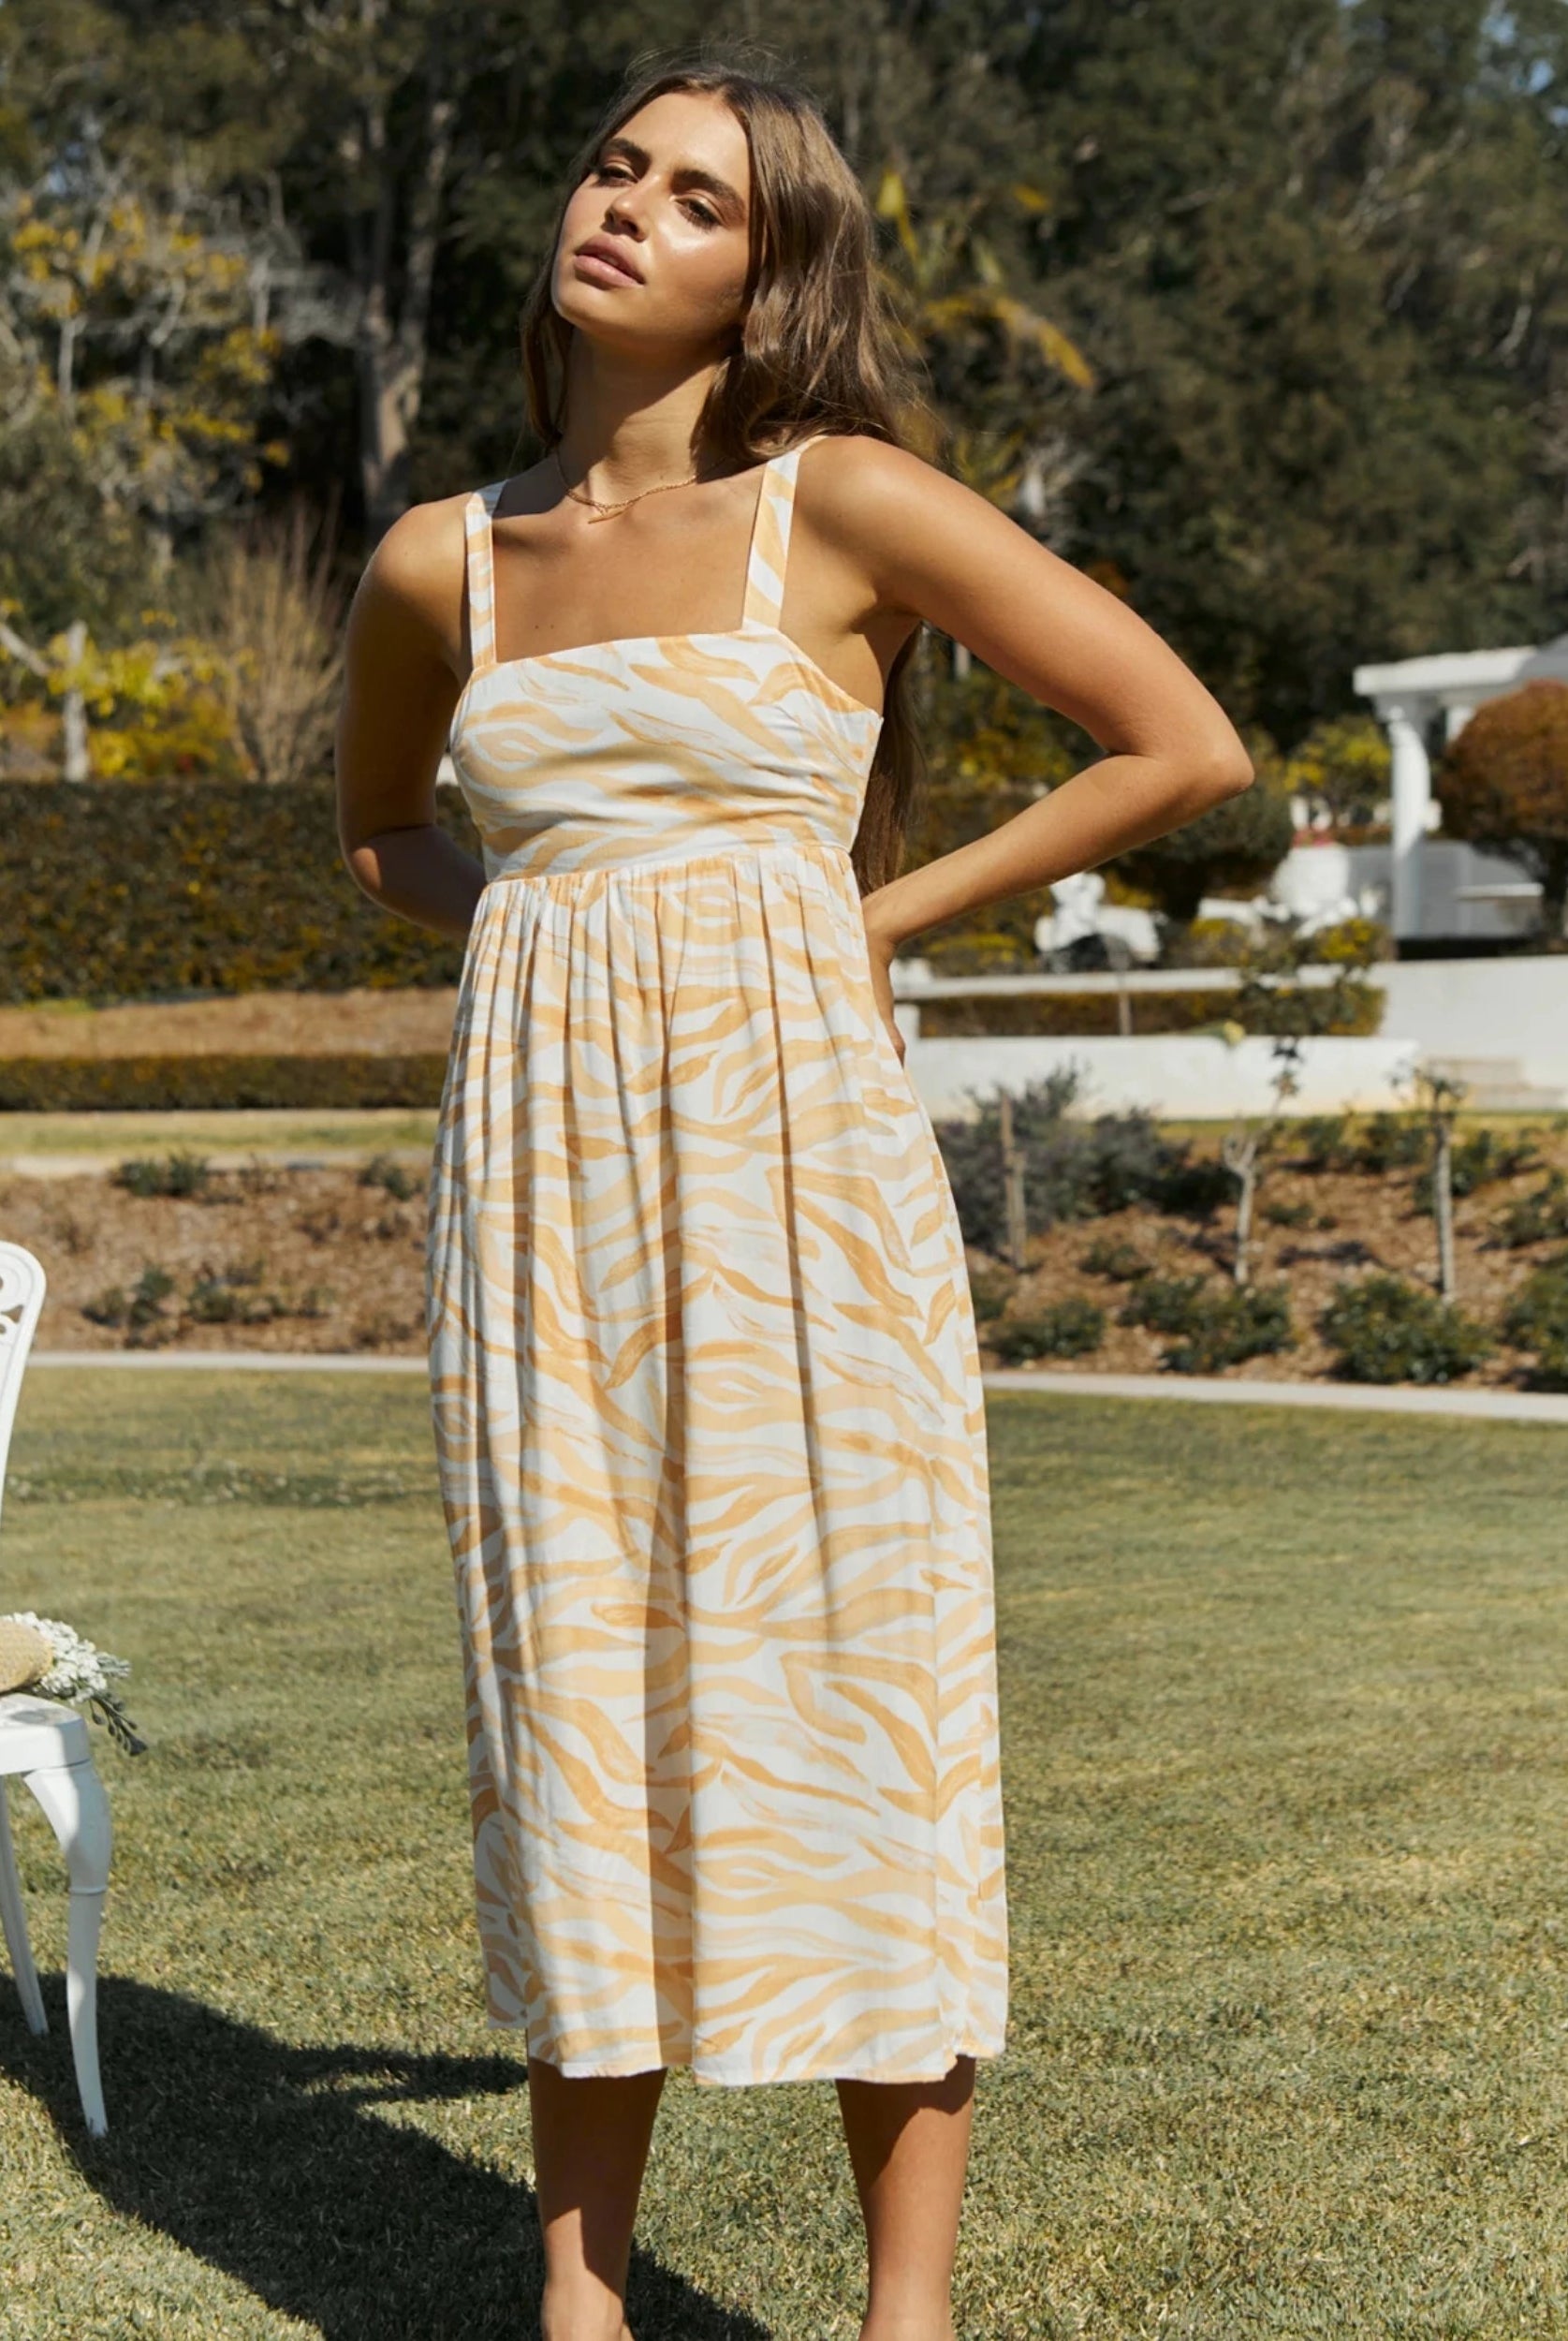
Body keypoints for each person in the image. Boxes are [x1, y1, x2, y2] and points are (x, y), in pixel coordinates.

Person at [334, 46, 1253, 2341]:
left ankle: (902, 2311)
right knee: (576, 1688)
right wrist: (568, 940)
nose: (627, 208)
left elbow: (1177, 740)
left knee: (859, 1680)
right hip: (544, 1200)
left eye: (700, 199)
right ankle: (579, 2293)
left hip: (800, 1168)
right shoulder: (442, 553)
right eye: (613, 166)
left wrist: (848, 915)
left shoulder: (836, 502)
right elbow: (387, 838)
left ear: (774, 274)